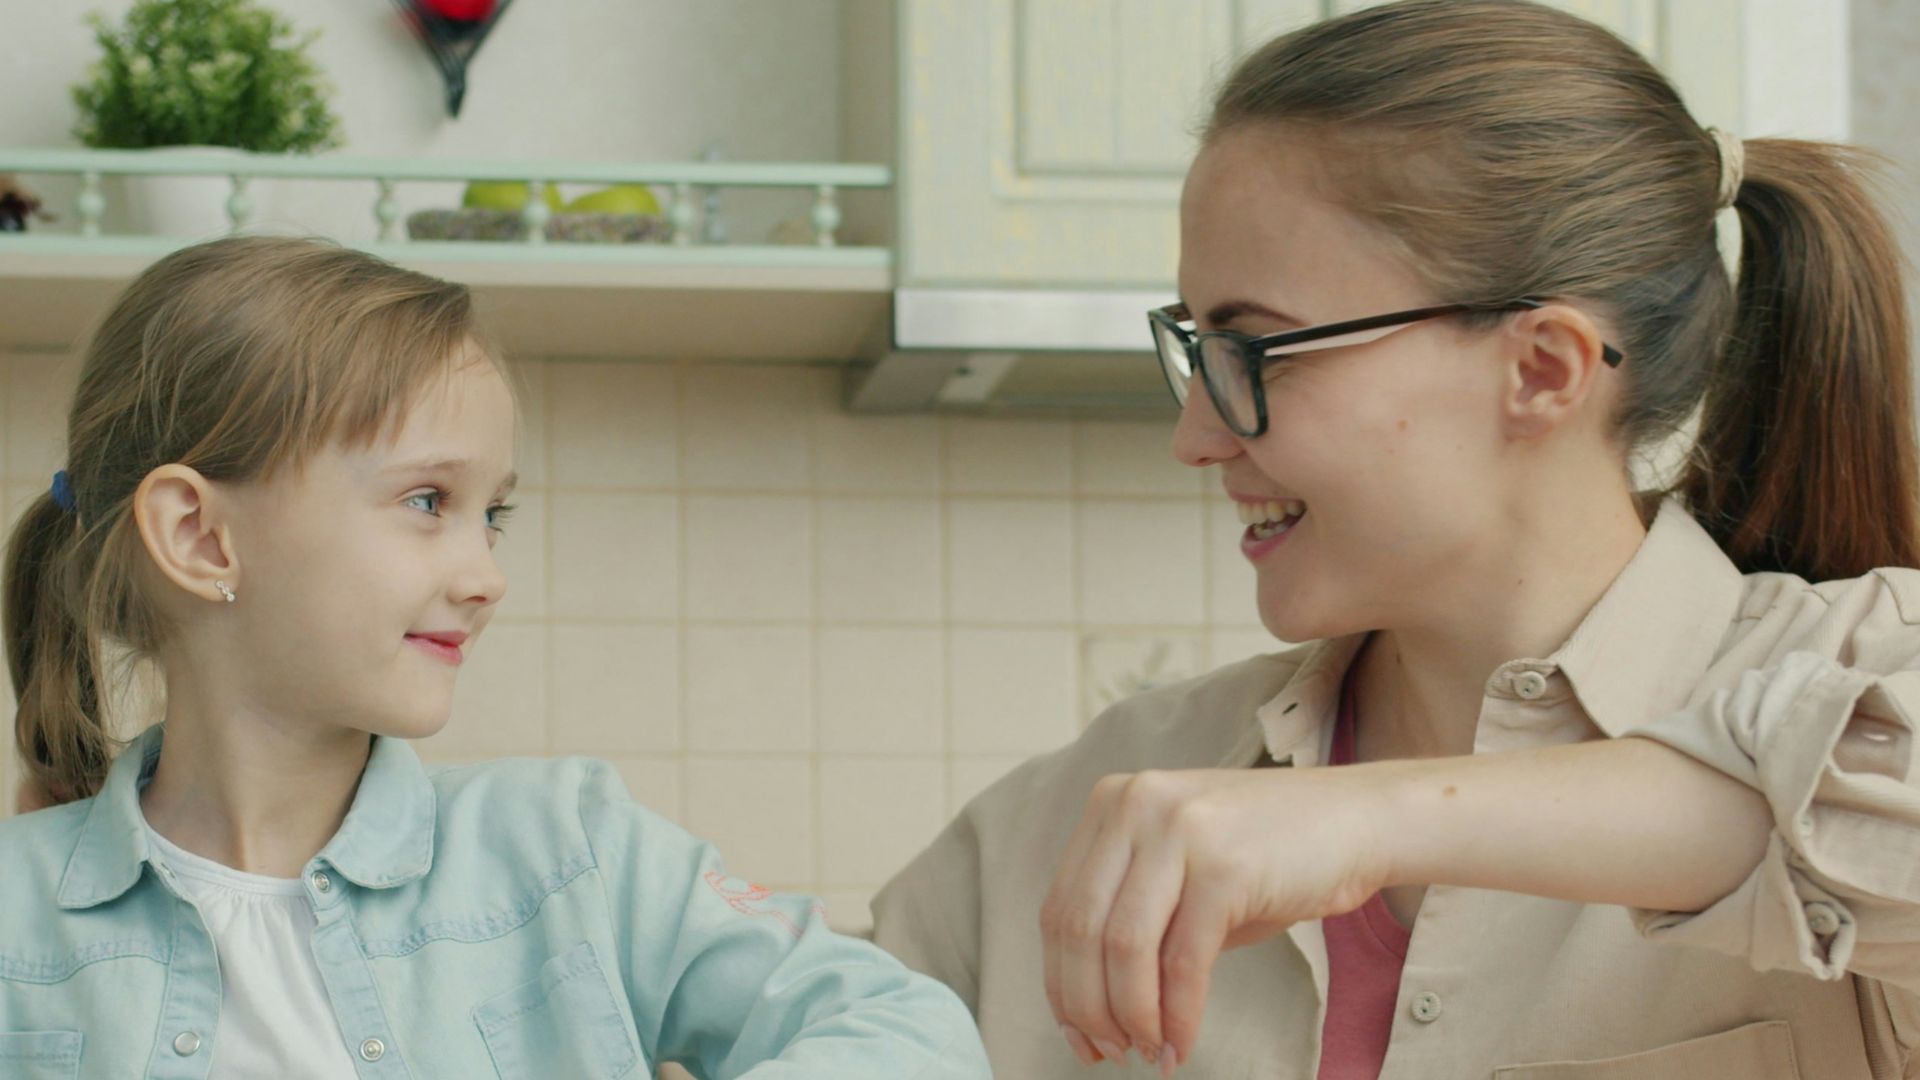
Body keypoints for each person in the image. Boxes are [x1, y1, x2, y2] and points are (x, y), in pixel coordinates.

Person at [870, 2, 1920, 1077]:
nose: (1195, 437)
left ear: (1543, 369)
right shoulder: (1095, 807)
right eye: (1198, 349)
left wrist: (1374, 820)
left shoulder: (1873, 672)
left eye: (1259, 351)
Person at [0, 235, 991, 1079]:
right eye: (427, 501)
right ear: (201, 536)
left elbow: (913, 1031)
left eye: (493, 515)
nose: (486, 577)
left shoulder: (574, 852)